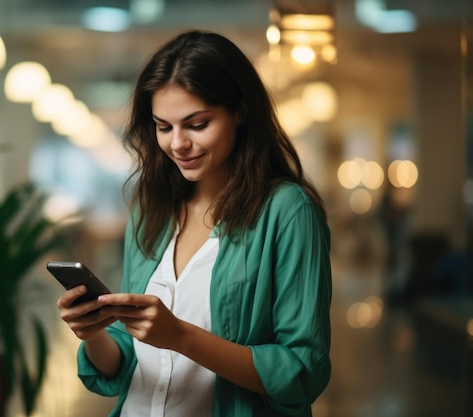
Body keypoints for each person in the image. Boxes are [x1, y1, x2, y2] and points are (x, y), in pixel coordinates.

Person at [57, 29, 332, 417]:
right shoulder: (150, 209)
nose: (177, 144)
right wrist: (94, 333)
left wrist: (181, 336)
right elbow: (125, 367)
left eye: (197, 124)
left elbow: (301, 372)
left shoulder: (287, 211)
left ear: (239, 111)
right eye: (164, 127)